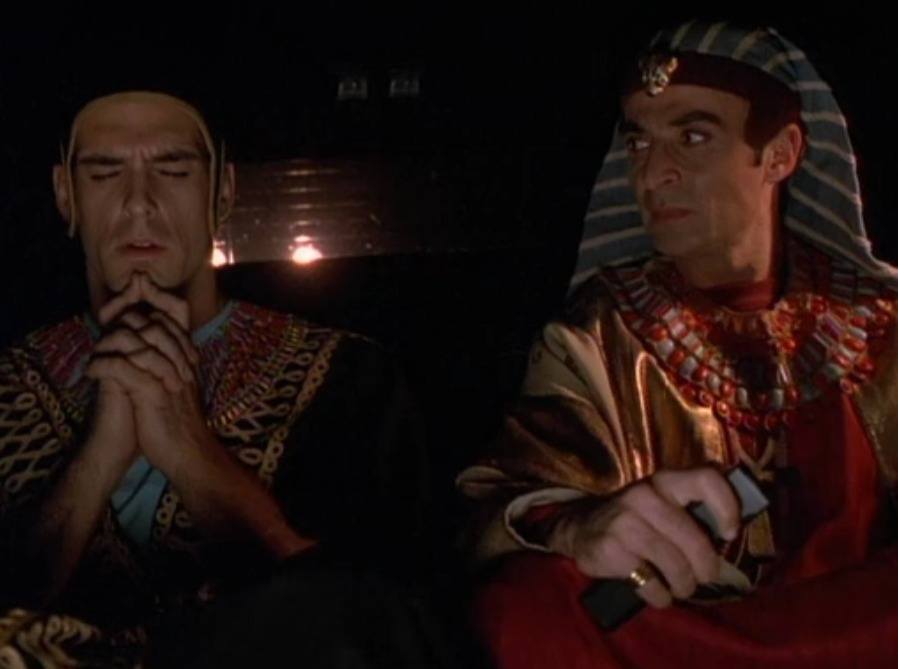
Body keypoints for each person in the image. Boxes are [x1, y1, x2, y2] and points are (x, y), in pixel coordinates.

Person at [459, 21, 898, 668]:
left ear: (780, 154)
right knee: (525, 605)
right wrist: (581, 525)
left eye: (693, 137)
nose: (653, 173)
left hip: (858, 632)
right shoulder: (599, 334)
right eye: (639, 142)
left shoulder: (878, 323)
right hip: (689, 640)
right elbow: (495, 506)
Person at [0, 91, 434, 666]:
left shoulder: (348, 375)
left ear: (222, 192)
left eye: (174, 171)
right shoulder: (10, 385)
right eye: (104, 173)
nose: (139, 204)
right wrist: (98, 455)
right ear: (65, 194)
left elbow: (386, 619)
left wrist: (190, 452)